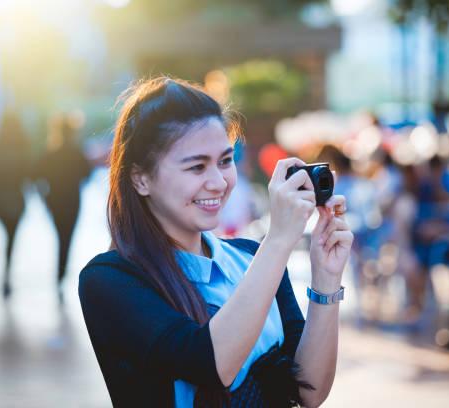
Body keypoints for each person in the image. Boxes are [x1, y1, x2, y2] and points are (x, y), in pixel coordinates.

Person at [78, 77, 353, 407]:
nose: (219, 182)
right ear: (141, 178)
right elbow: (210, 364)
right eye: (196, 167)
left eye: (225, 161)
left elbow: (307, 391)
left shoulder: (252, 259)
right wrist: (278, 240)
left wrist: (326, 279)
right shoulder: (109, 279)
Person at [34, 113, 91, 300]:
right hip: (72, 200)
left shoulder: (51, 154)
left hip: (55, 200)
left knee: (60, 236)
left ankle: (59, 276)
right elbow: (86, 175)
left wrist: (45, 198)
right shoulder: (76, 153)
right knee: (67, 238)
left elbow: (36, 175)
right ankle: (61, 276)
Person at [0, 112, 31, 298]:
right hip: (17, 199)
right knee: (12, 237)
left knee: (6, 236)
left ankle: (6, 272)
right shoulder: (22, 154)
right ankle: (7, 273)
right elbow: (30, 180)